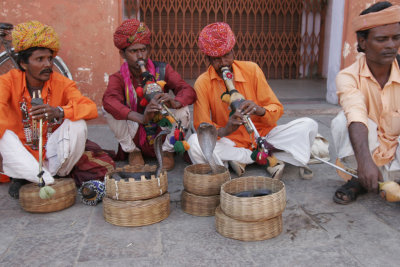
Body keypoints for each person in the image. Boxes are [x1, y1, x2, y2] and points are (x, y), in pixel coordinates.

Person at [188, 22, 318, 179]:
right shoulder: (203, 82)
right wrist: (226, 129)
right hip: (231, 142)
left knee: (308, 125)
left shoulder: (252, 70)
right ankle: (254, 157)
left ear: (233, 51)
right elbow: (202, 129)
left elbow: (277, 108)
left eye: (227, 55)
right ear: (208, 58)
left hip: (265, 137)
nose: (223, 63)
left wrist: (259, 109)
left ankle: (243, 159)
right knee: (195, 143)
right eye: (217, 59)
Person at [0, 21, 98, 198]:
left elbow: (90, 108)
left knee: (78, 124)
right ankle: (24, 176)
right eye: (40, 59)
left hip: (51, 155)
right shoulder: (8, 81)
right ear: (23, 64)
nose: (48, 64)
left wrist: (60, 112)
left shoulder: (61, 83)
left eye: (50, 58)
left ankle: (48, 176)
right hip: (23, 153)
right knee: (4, 136)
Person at [103, 19, 196, 171]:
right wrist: (141, 117)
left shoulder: (163, 69)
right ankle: (133, 151)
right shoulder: (118, 78)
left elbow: (187, 90)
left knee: (183, 109)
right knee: (108, 110)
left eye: (143, 50)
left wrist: (174, 101)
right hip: (136, 128)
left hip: (161, 124)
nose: (141, 56)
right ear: (122, 54)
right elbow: (109, 101)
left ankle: (167, 151)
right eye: (134, 51)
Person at [331, 1, 400, 204]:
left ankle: (371, 181)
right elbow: (356, 115)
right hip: (366, 158)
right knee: (343, 120)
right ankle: (360, 177)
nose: (391, 45)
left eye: (396, 38)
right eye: (382, 39)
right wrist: (364, 161)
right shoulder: (347, 76)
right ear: (362, 42)